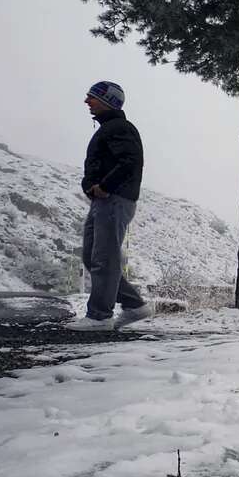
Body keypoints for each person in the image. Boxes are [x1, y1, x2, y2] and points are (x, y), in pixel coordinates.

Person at [67, 81, 153, 331]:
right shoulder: (110, 128)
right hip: (103, 200)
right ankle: (134, 305)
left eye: (92, 97)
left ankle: (100, 316)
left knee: (104, 256)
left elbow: (130, 161)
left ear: (109, 101)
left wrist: (105, 185)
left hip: (114, 199)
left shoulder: (120, 127)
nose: (86, 101)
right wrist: (90, 186)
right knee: (91, 254)